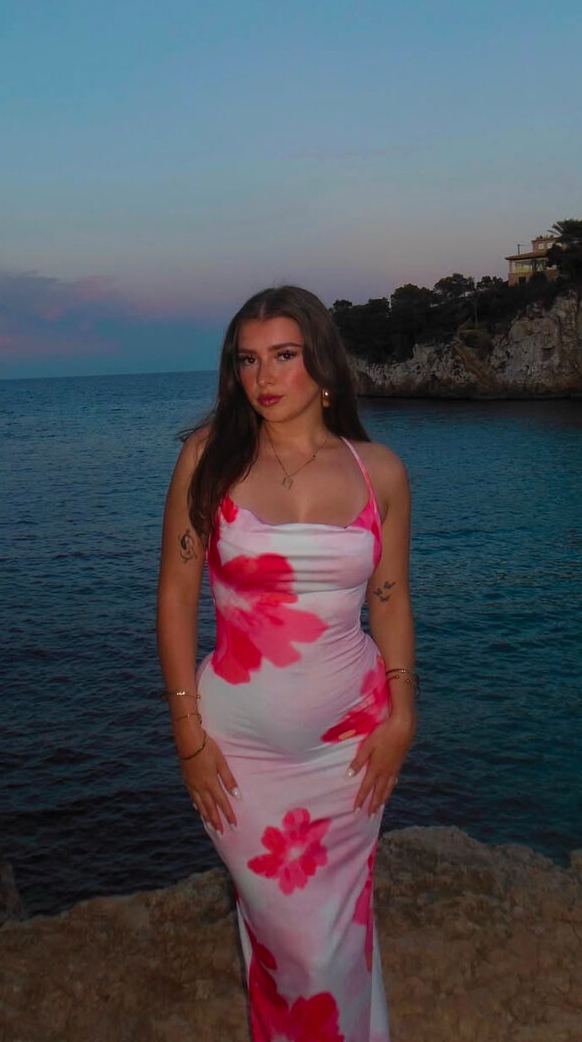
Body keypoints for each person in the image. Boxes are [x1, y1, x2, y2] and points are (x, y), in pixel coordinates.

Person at [157, 285, 416, 1042]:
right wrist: (188, 735)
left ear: (322, 363)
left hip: (350, 747)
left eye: (283, 356)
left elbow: (390, 600)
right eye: (247, 360)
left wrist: (403, 714)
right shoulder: (208, 460)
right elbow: (175, 597)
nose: (262, 377)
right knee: (292, 945)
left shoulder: (379, 472)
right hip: (240, 752)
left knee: (337, 932)